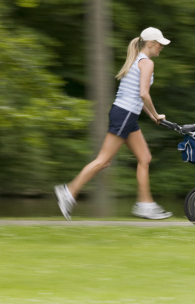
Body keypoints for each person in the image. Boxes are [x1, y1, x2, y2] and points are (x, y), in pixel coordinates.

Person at [54, 27, 172, 221]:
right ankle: (68, 191)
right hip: (125, 114)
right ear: (150, 43)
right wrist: (156, 113)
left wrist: (152, 116)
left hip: (125, 114)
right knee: (103, 160)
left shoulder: (136, 60)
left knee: (145, 157)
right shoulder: (147, 63)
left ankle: (145, 204)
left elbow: (137, 95)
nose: (161, 47)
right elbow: (143, 93)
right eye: (160, 44)